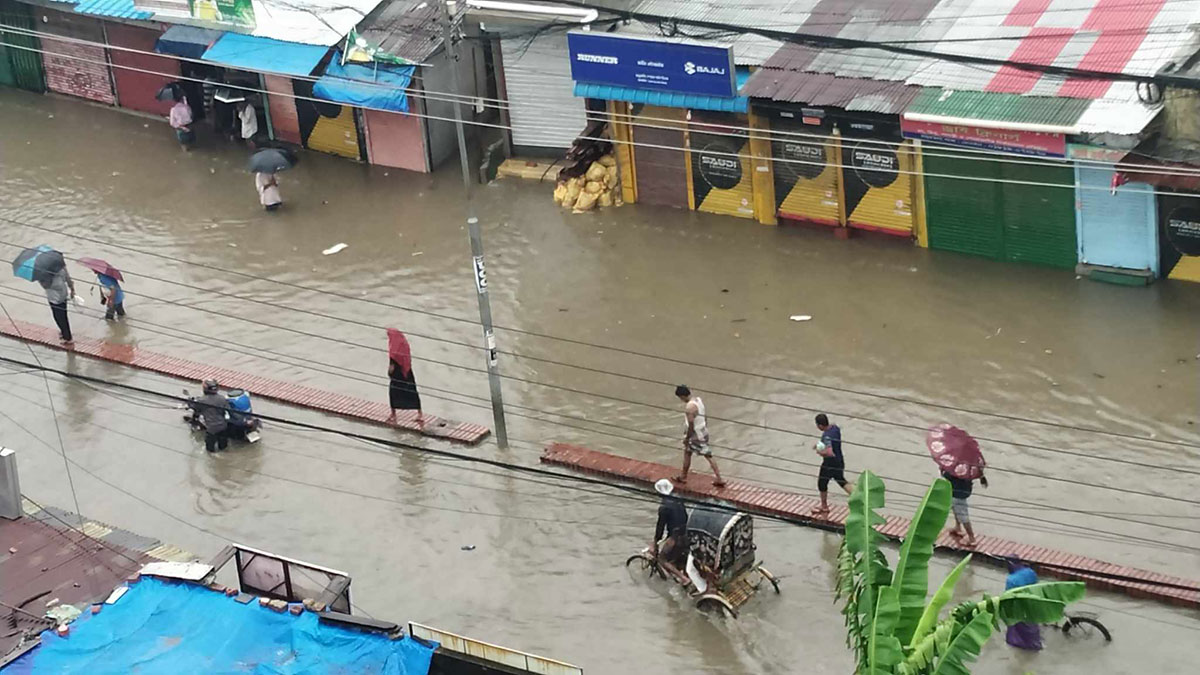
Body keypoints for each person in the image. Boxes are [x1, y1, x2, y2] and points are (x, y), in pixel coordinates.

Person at [673, 385, 724, 487]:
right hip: (703, 430)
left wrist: (687, 438)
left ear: (682, 396)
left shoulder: (689, 407)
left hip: (696, 434)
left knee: (707, 455)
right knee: (688, 452)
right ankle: (683, 476)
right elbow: (704, 416)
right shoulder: (698, 400)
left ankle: (719, 478)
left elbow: (691, 424)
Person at [652, 479, 691, 585]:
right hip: (686, 533)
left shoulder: (664, 508)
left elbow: (660, 527)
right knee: (678, 557)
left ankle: (684, 579)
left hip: (675, 537)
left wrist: (655, 542)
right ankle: (683, 573)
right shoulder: (679, 499)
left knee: (662, 559)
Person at [812, 413, 851, 515]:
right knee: (842, 481)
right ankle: (859, 499)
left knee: (822, 484)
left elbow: (829, 452)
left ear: (820, 425)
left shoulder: (826, 436)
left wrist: (819, 451)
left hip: (830, 463)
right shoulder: (835, 428)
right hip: (839, 461)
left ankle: (824, 507)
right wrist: (819, 444)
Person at [386, 328, 423, 427]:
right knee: (412, 391)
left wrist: (389, 372)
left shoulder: (394, 345)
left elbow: (393, 361)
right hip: (407, 371)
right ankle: (420, 414)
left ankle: (393, 414)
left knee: (394, 392)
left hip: (397, 373)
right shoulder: (404, 344)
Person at [1004, 557, 1043, 650]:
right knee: (1032, 627)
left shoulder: (1011, 580)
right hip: (1033, 604)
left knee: (1017, 633)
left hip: (1020, 609)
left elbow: (1008, 598)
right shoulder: (1030, 572)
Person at [943, 468, 987, 547]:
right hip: (964, 491)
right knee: (956, 509)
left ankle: (972, 539)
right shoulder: (968, 466)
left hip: (957, 493)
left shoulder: (956, 467)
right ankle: (958, 527)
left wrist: (943, 470)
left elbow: (947, 476)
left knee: (963, 516)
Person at [42, 266, 75, 343]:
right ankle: (65, 332)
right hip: (63, 294)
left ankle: (67, 337)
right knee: (63, 315)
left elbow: (45, 285)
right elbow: (68, 278)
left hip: (54, 297)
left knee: (58, 316)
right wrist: (72, 288)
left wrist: (40, 280)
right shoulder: (61, 266)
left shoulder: (45, 272)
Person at [197, 379, 230, 453]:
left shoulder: (202, 400)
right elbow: (227, 409)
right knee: (224, 448)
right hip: (223, 426)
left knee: (210, 451)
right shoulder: (222, 398)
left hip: (212, 429)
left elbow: (195, 407)